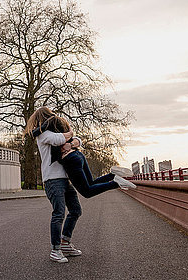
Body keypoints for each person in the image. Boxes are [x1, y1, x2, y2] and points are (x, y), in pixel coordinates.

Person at [25, 107, 135, 263]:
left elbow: (79, 141)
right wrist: (70, 136)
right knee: (58, 213)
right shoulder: (43, 135)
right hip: (52, 180)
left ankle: (65, 243)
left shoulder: (54, 132)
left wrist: (73, 141)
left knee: (76, 210)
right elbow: (58, 140)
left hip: (65, 178)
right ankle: (55, 250)